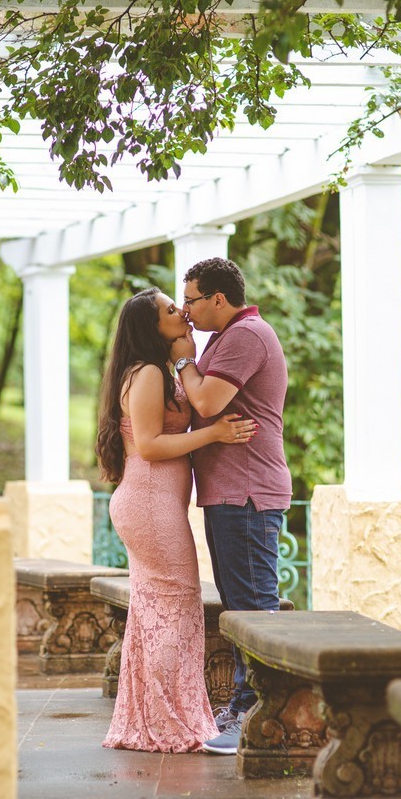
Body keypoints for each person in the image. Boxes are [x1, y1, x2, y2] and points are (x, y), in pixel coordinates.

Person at [96, 286, 258, 753]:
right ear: (152, 327)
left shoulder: (157, 369)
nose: (182, 312)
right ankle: (169, 722)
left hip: (152, 502)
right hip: (149, 503)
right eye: (171, 309)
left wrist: (185, 359)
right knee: (178, 608)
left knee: (154, 613)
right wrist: (214, 433)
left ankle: (150, 719)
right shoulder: (147, 373)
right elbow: (149, 445)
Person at [169, 257, 291, 756]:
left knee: (253, 608)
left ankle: (259, 716)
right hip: (231, 493)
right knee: (241, 606)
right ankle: (248, 707)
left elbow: (206, 402)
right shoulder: (226, 337)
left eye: (191, 300)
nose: (186, 310)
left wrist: (183, 360)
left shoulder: (246, 335)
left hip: (247, 494)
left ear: (218, 298)